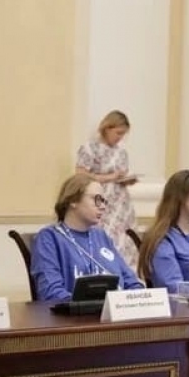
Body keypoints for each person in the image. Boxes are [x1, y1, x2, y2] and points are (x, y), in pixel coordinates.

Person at [31, 174, 143, 301]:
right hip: (74, 313)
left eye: (104, 201)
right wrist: (91, 305)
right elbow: (50, 292)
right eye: (97, 199)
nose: (103, 206)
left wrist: (136, 299)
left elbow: (132, 282)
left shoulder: (101, 236)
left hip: (115, 310)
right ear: (73, 200)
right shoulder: (49, 238)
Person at [75, 110, 138, 268]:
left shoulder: (121, 152)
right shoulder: (90, 148)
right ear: (107, 128)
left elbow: (120, 176)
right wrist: (109, 177)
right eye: (118, 133)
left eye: (123, 134)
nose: (120, 138)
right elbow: (80, 175)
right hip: (101, 202)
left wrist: (126, 180)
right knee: (103, 241)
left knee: (124, 242)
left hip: (121, 206)